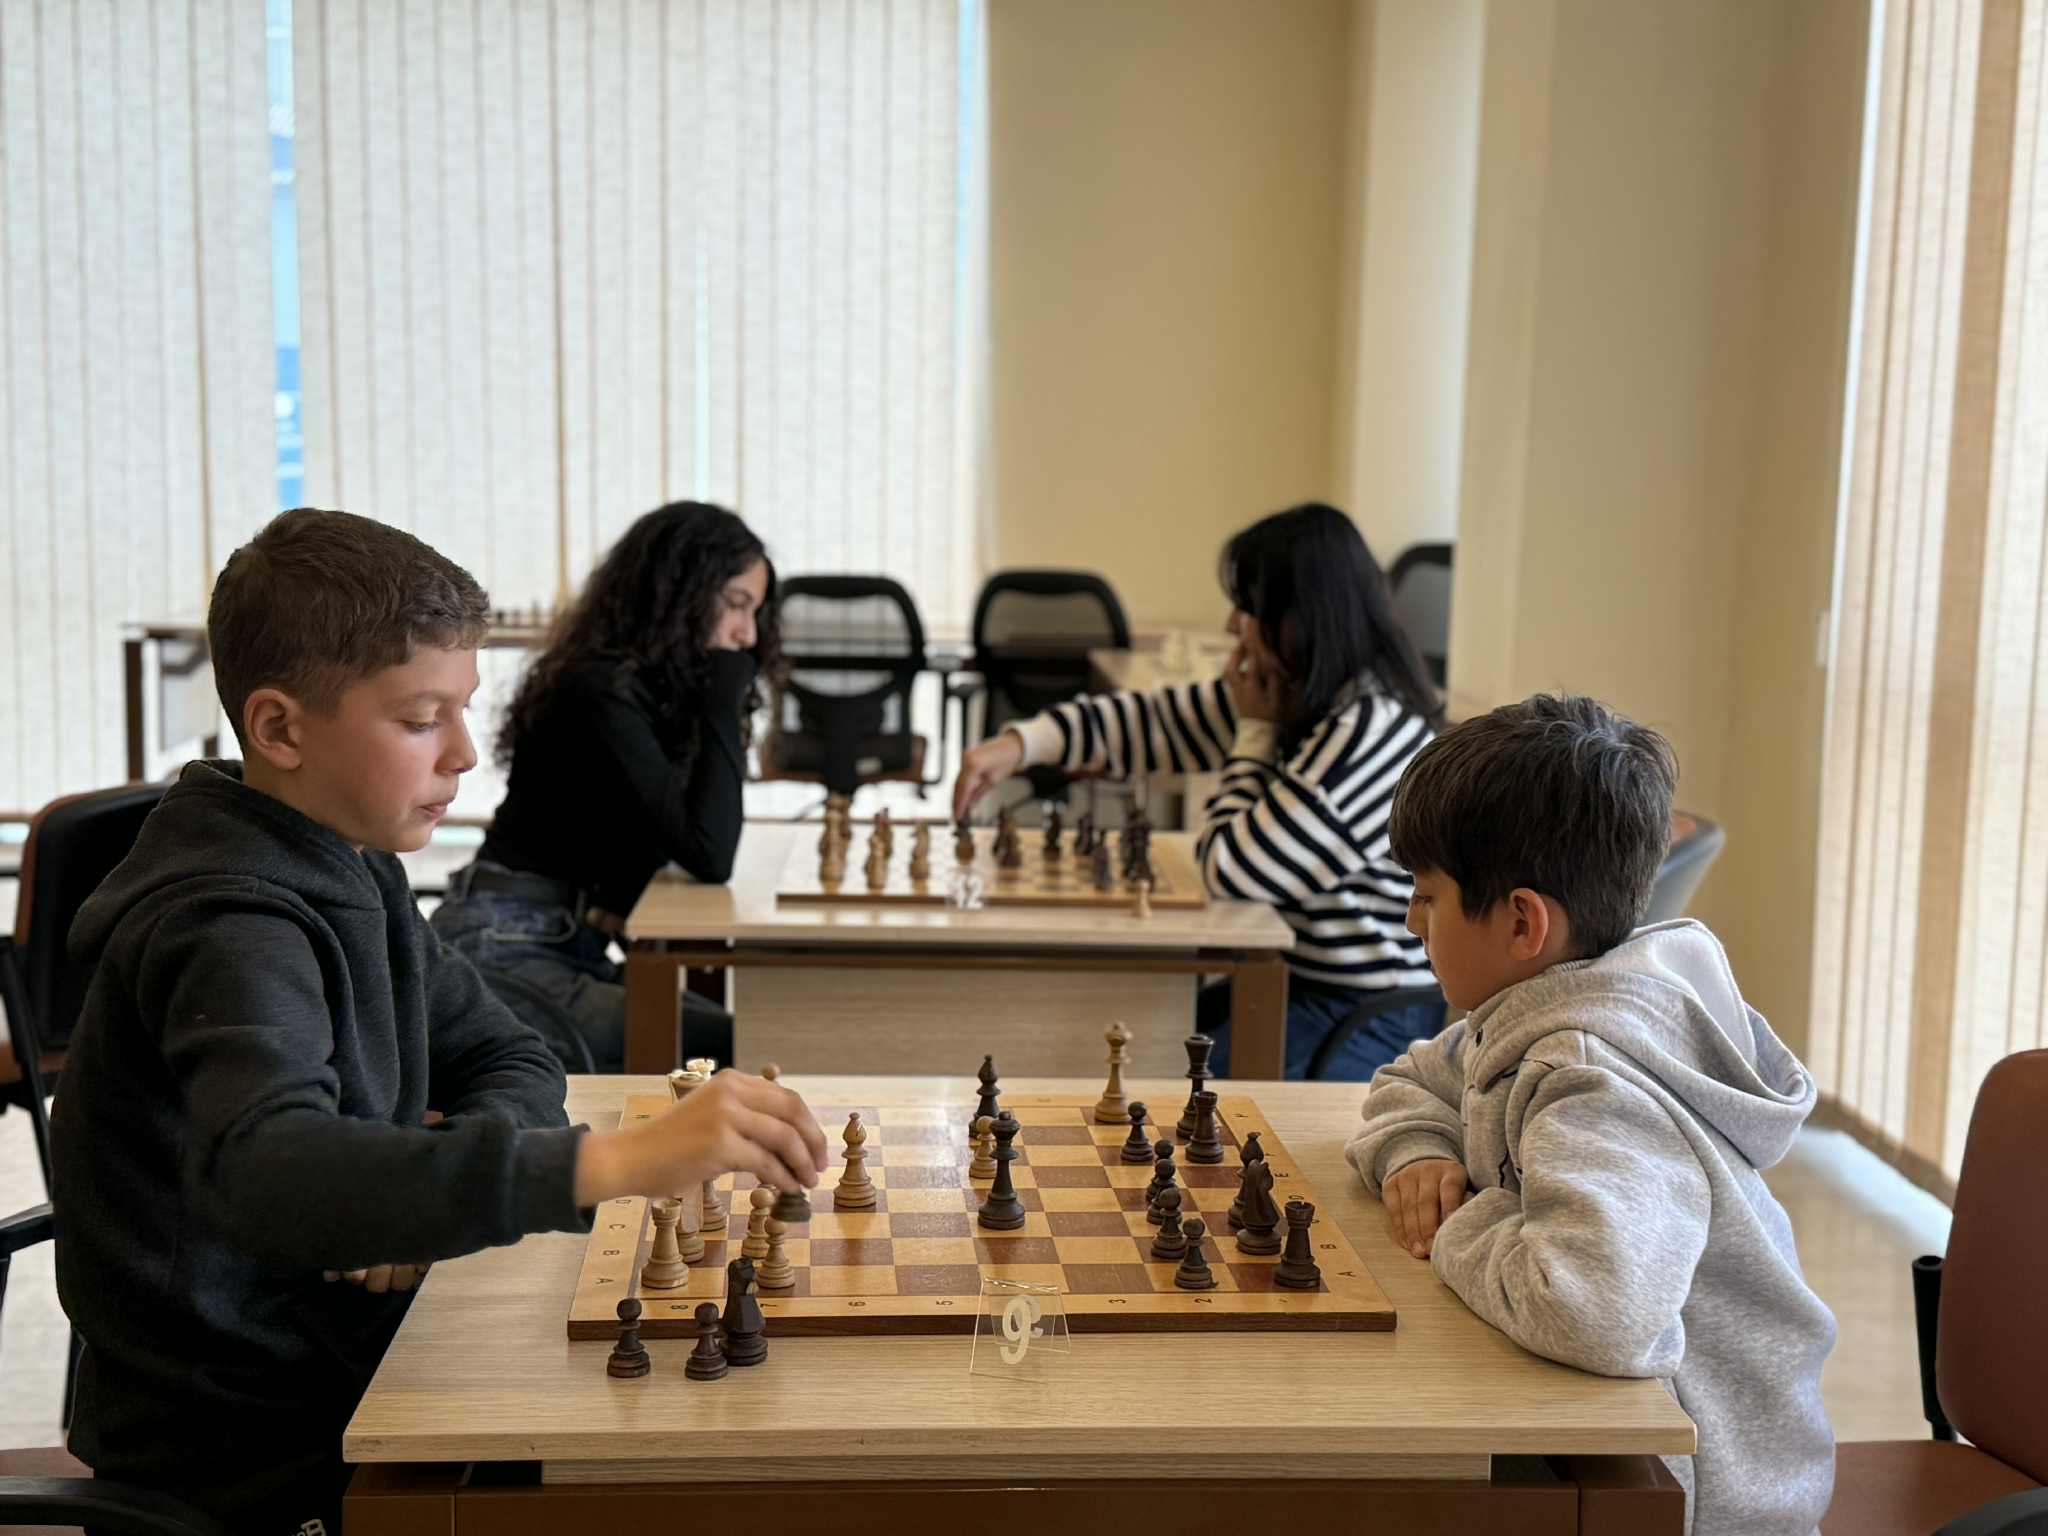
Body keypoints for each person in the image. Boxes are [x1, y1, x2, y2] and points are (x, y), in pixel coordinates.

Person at [52, 508, 827, 1534]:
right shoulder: (229, 921)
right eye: (422, 719)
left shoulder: (348, 857)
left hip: (347, 1355)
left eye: (464, 711)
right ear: (279, 729)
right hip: (244, 1441)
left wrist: (425, 1172)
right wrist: (611, 1163)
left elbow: (508, 1042)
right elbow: (271, 1172)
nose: (465, 753)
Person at [1347, 694, 1835, 1536]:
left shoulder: (1593, 1075)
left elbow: (1589, 1312)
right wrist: (1419, 1151)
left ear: (1523, 923)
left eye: (1427, 896)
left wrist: (1464, 1212)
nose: (1410, 922)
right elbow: (1413, 1079)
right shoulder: (1540, 1006)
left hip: (1690, 1494)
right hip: (1607, 1450)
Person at [952, 502, 1443, 1078]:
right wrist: (1019, 745)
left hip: (1363, 1010)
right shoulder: (1309, 692)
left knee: (1176, 1084)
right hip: (1299, 978)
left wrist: (1254, 731)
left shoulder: (1367, 728)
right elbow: (1156, 723)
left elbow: (1234, 870)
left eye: (1248, 607)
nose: (1234, 626)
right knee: (1148, 1036)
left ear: (1300, 619)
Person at [430, 502, 778, 1072]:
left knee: (745, 1035)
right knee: (737, 1047)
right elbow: (708, 852)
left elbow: (688, 834)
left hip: (565, 947)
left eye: (757, 613)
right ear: (680, 594)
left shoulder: (644, 692)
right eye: (737, 605)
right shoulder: (598, 688)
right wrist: (726, 693)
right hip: (503, 951)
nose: (747, 635)